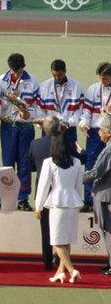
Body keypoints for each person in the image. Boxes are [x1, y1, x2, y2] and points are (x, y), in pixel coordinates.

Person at [30, 116, 85, 270]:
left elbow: (35, 173)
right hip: (71, 199)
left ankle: (58, 265)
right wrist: (80, 200)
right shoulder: (72, 153)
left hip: (53, 198)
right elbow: (79, 179)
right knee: (66, 236)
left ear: (43, 128)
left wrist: (38, 206)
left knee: (50, 234)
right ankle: (61, 268)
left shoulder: (37, 145)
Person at [0, 53, 39, 211]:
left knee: (24, 163)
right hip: (8, 125)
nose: (15, 74)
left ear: (24, 67)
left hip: (25, 126)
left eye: (18, 71)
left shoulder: (32, 81)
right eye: (12, 71)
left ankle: (23, 199)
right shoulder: (0, 81)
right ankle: (5, 198)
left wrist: (24, 110)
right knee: (7, 163)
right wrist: (9, 101)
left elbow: (36, 106)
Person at [79, 62, 111, 213]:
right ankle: (89, 200)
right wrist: (84, 123)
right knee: (91, 164)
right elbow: (86, 111)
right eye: (100, 78)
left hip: (109, 131)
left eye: (104, 79)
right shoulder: (93, 89)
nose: (101, 81)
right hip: (94, 132)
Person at [83, 112, 111, 276]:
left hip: (104, 194)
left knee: (108, 230)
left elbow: (96, 172)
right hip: (105, 191)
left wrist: (77, 176)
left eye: (101, 129)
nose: (99, 132)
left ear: (109, 132)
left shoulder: (108, 151)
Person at [37, 59, 82, 149]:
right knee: (48, 157)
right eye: (54, 75)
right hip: (49, 130)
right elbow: (40, 110)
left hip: (68, 130)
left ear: (65, 71)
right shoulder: (44, 86)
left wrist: (68, 123)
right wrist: (46, 123)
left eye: (60, 75)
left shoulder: (76, 85)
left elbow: (78, 111)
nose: (57, 77)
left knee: (69, 159)